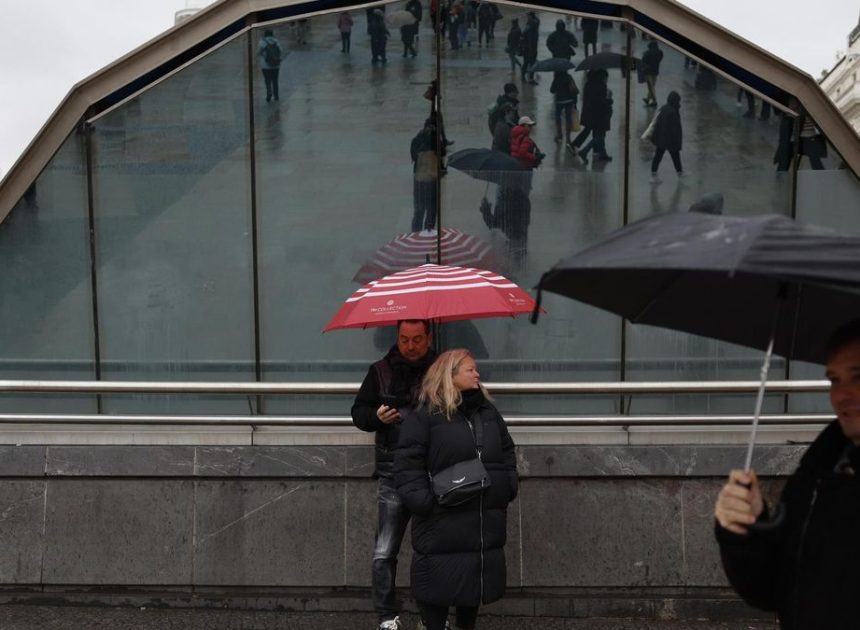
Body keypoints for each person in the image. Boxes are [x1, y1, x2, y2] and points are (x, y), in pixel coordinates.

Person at [714, 319, 860, 629]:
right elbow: (772, 590)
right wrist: (746, 531)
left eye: (858, 377)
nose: (842, 396)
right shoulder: (820, 472)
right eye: (834, 380)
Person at [394, 349, 518, 630]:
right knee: (436, 589)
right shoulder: (426, 415)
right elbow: (407, 466)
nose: (477, 374)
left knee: (471, 590)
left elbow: (507, 450)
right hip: (442, 520)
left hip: (481, 518)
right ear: (449, 376)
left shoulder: (487, 411)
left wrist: (508, 485)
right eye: (470, 370)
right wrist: (425, 503)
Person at [352, 320, 437, 630]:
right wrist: (376, 417)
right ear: (396, 338)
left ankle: (433, 616)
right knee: (385, 550)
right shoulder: (380, 371)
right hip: (393, 472)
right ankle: (387, 615)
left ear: (428, 337)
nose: (410, 345)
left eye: (416, 339)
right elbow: (359, 412)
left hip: (432, 470)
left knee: (432, 550)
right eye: (404, 339)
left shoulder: (441, 370)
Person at [576, 69, 613, 163]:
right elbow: (600, 102)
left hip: (589, 114)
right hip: (599, 115)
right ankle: (585, 151)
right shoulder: (601, 86)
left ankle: (602, 153)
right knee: (600, 135)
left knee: (599, 134)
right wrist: (609, 100)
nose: (606, 79)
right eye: (606, 77)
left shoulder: (588, 85)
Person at [648, 90, 683, 183]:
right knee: (676, 157)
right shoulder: (673, 112)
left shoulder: (664, 108)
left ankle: (653, 174)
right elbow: (675, 128)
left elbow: (658, 122)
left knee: (658, 157)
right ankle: (680, 174)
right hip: (670, 140)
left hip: (661, 139)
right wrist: (676, 141)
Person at [410, 120, 438, 232]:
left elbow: (413, 158)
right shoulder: (434, 140)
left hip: (419, 181)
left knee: (419, 211)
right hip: (431, 182)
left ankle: (415, 236)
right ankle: (428, 237)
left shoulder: (416, 140)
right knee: (431, 211)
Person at [550, 71, 579, 146]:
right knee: (568, 117)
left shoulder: (557, 78)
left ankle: (559, 135)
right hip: (569, 100)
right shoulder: (569, 77)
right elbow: (575, 89)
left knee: (558, 117)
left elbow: (552, 90)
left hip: (559, 101)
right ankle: (568, 138)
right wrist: (575, 102)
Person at [257, 29, 283, 103]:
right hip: (275, 65)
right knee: (275, 81)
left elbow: (259, 53)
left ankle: (269, 93)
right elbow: (281, 50)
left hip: (265, 65)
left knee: (267, 80)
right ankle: (276, 95)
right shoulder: (276, 41)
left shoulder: (262, 42)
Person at [640, 40, 663, 107]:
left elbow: (643, 60)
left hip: (648, 71)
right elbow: (660, 59)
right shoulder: (660, 52)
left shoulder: (648, 52)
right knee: (652, 85)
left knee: (650, 86)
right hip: (655, 71)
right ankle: (647, 99)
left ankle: (654, 101)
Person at [520, 12, 540, 84]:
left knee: (527, 63)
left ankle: (524, 77)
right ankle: (530, 79)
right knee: (531, 63)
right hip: (530, 49)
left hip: (528, 49)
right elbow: (529, 40)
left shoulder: (528, 27)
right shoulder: (530, 29)